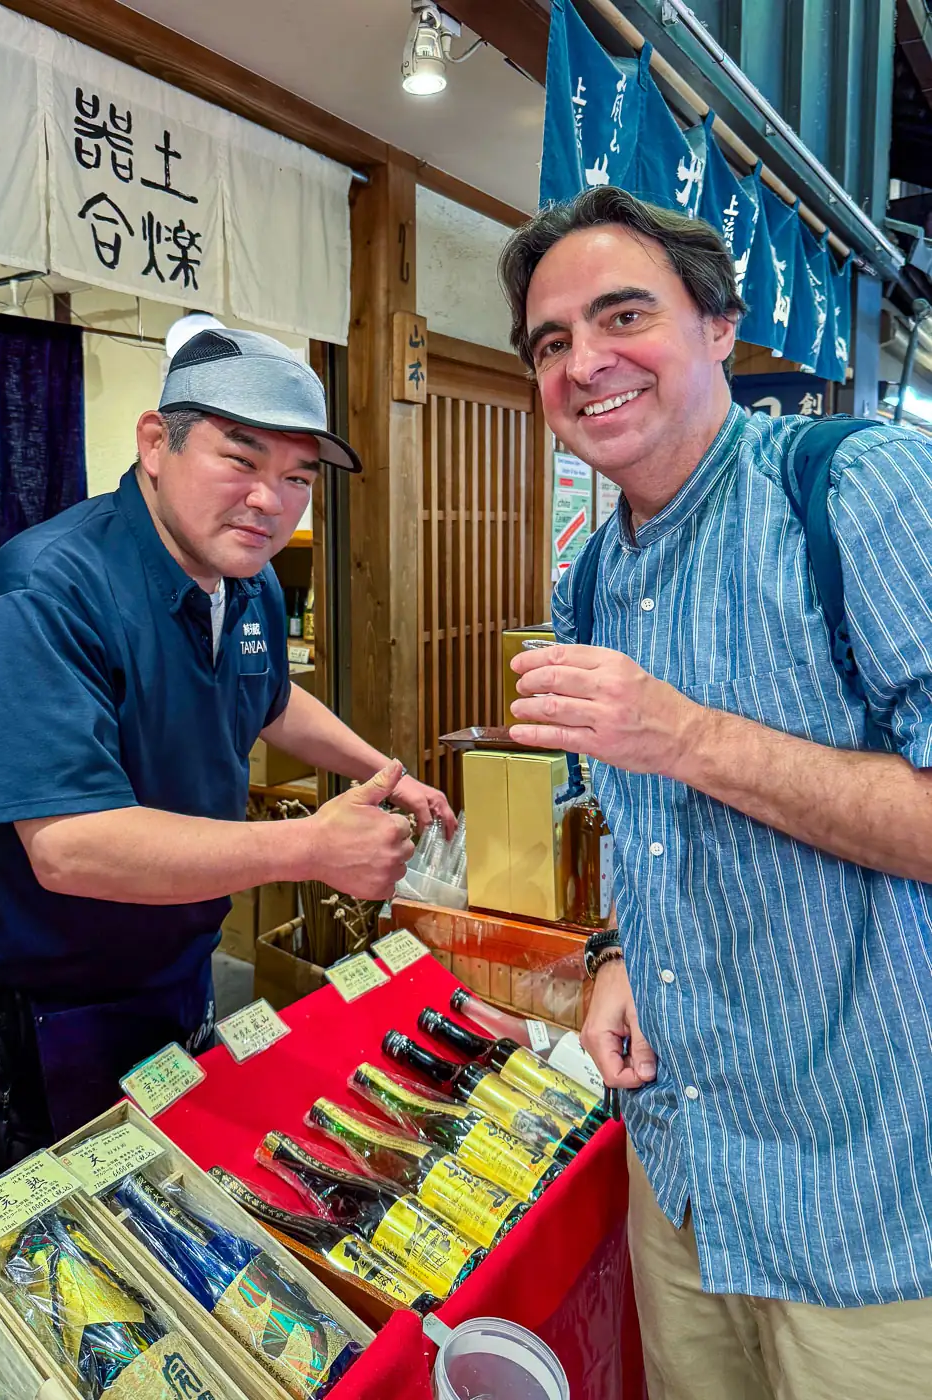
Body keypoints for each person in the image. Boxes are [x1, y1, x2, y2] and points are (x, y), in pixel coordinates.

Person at [498, 187, 932, 1397]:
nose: (586, 363)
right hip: (681, 1173)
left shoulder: (860, 491)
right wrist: (614, 959)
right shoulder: (589, 577)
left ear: (719, 325)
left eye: (623, 313)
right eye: (549, 342)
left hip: (876, 1203)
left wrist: (686, 735)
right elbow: (638, 832)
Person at [0, 328, 453, 1168]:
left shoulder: (249, 582)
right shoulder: (43, 593)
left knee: (179, 1167)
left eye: (297, 477)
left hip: (175, 950)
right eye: (241, 460)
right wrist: (310, 846)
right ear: (155, 444)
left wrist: (386, 774)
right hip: (47, 978)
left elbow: (268, 695)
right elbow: (68, 846)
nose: (269, 500)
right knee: (85, 1209)